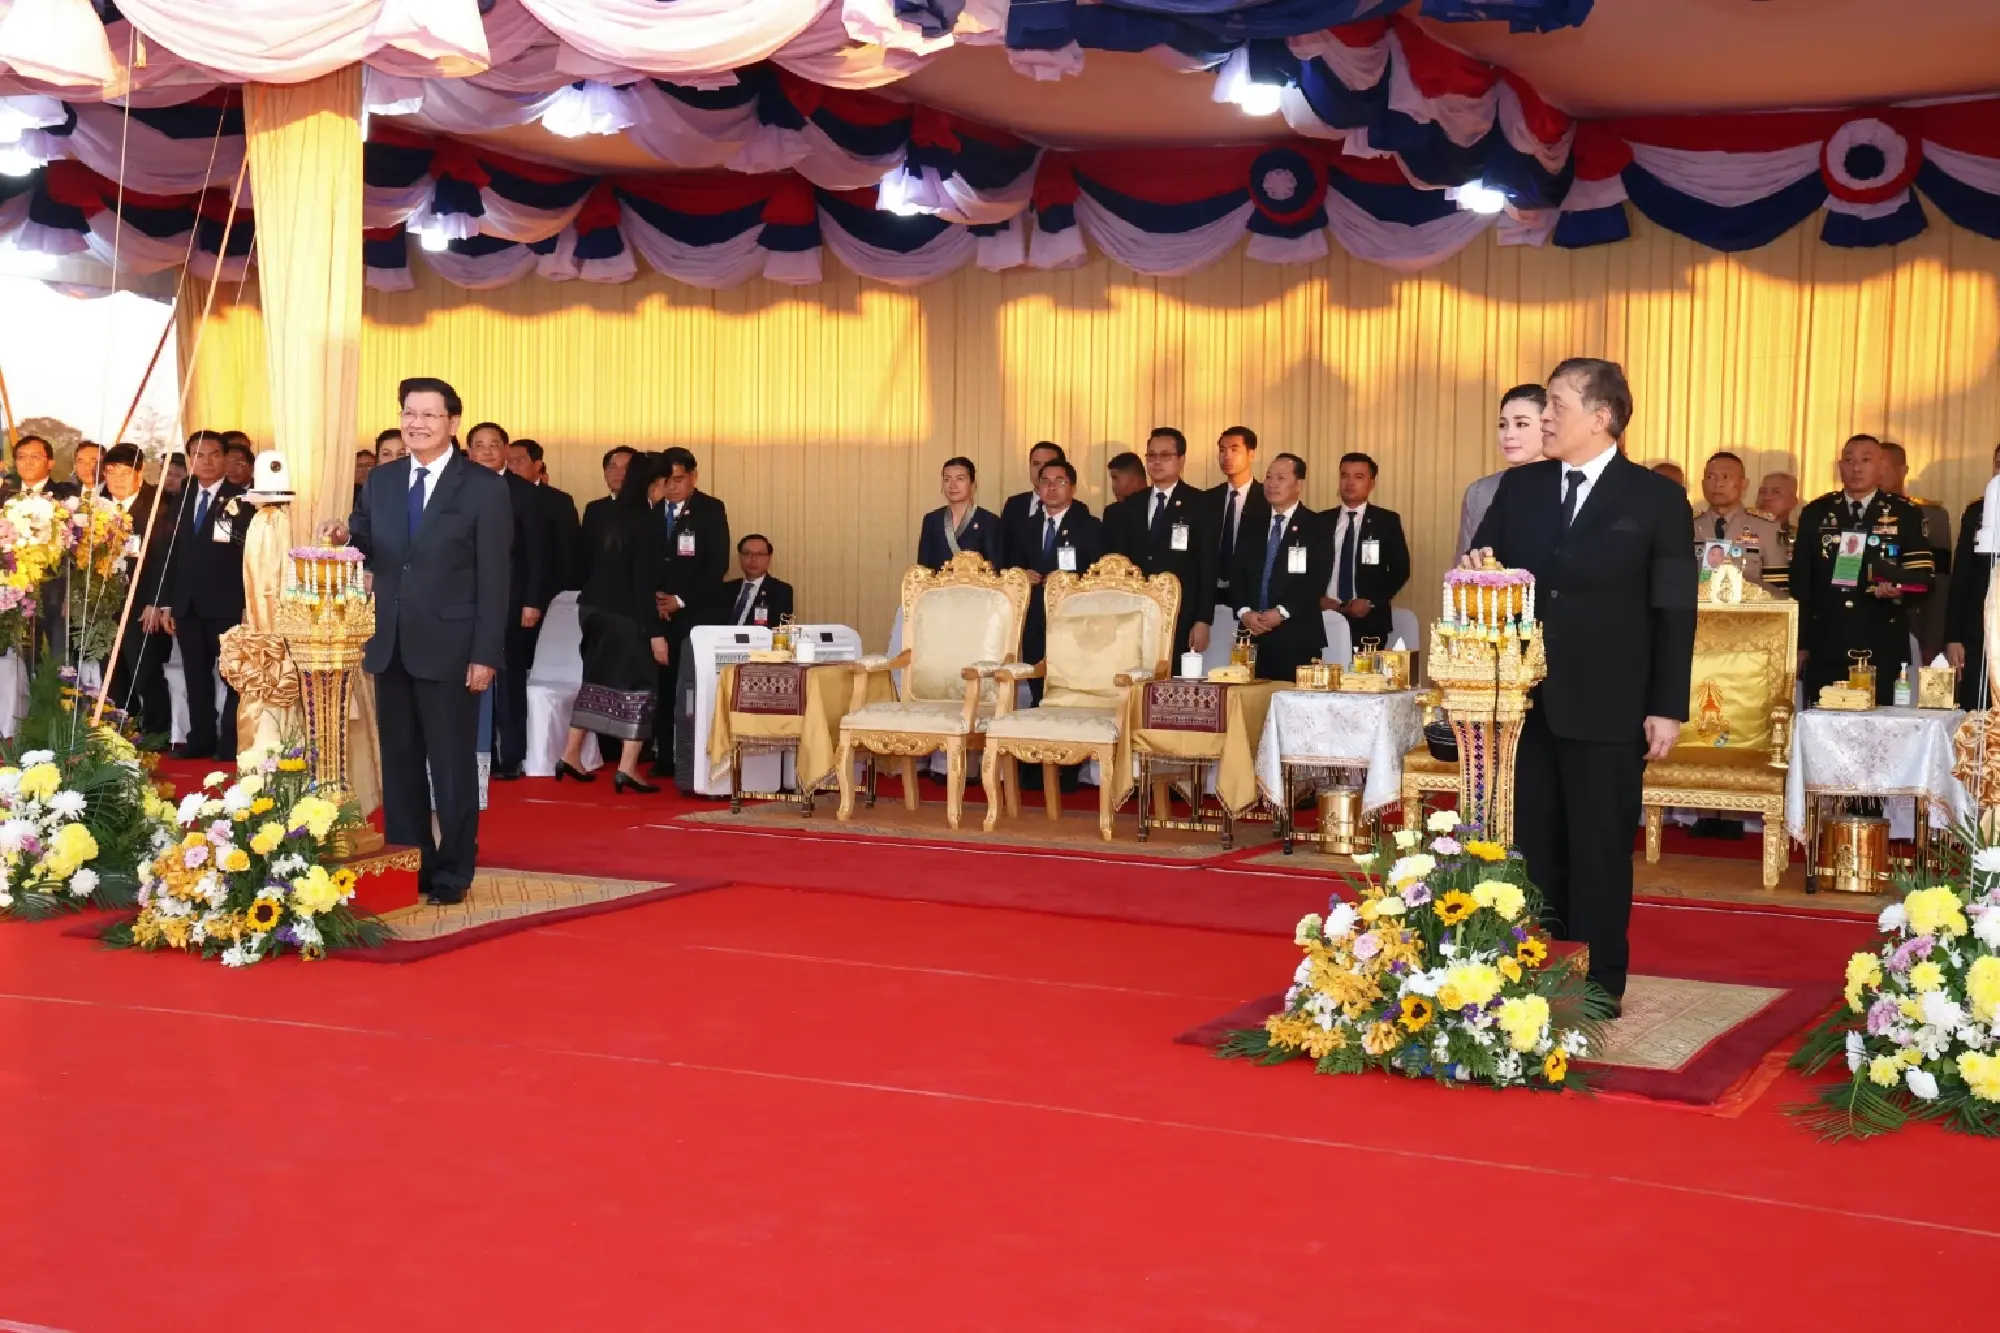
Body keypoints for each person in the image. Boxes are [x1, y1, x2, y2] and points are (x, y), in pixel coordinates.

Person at [1469, 357, 1697, 1014]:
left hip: (1611, 702)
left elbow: (1675, 609)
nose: (1544, 417)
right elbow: (1485, 570)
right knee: (1534, 843)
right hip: (1527, 700)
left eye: (1556, 405)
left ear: (1602, 417)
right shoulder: (1522, 489)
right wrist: (1477, 572)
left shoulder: (1655, 499)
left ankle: (1598, 984)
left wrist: (1666, 705)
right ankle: (1538, 970)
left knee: (1599, 845)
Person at [338, 377, 511, 906]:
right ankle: (411, 860)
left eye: (429, 415)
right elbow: (369, 540)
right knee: (402, 761)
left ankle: (454, 870)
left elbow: (495, 577)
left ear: (452, 423)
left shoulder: (482, 486)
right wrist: (344, 537)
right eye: (409, 413)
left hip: (453, 649)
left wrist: (486, 654)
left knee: (452, 764)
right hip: (390, 643)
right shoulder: (383, 481)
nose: (416, 423)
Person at [558, 453, 671, 794]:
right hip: (625, 614)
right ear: (656, 483)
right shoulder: (648, 519)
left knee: (595, 680)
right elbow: (641, 583)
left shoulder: (611, 512)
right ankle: (628, 766)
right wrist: (655, 634)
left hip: (592, 608)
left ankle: (570, 754)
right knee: (641, 685)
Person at [1792, 434, 1933, 705]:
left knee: (1881, 730)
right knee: (1825, 724)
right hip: (1827, 640)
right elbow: (1802, 583)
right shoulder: (1816, 512)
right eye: (1849, 460)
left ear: (1882, 467)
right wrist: (1800, 644)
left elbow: (1924, 578)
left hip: (1882, 639)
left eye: (1866, 460)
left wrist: (1896, 591)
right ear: (1839, 467)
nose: (1856, 468)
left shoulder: (1905, 513)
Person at [466, 422, 552, 782]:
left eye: (494, 445)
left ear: (505, 450)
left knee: (509, 679)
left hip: (513, 601)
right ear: (468, 451)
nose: (487, 452)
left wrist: (533, 601)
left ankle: (509, 755)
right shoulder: (457, 487)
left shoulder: (524, 492)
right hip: (463, 601)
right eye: (479, 445)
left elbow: (537, 553)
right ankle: (470, 750)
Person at [158, 431, 248, 760]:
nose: (206, 461)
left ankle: (231, 742)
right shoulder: (181, 498)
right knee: (195, 676)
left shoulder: (244, 499)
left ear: (225, 458)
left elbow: (247, 557)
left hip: (226, 604)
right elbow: (170, 553)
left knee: (233, 676)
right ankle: (200, 739)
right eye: (198, 455)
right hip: (186, 604)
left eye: (213, 454)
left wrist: (246, 606)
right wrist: (167, 602)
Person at [653, 446, 730, 780]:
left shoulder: (711, 510)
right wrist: (655, 600)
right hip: (655, 612)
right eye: (667, 480)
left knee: (689, 687)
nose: (672, 487)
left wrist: (680, 599)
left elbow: (717, 564)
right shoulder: (650, 508)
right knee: (661, 685)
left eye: (679, 479)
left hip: (694, 612)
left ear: (694, 477)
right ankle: (663, 756)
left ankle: (693, 756)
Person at [1104, 427, 1214, 658]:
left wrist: (1203, 620)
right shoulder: (1130, 505)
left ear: (1181, 459)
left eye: (1165, 455)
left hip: (1181, 614)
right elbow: (1120, 562)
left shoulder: (1200, 503)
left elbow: (1207, 566)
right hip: (1134, 613)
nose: (1157, 462)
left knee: (1173, 685)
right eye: (1151, 455)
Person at [1230, 453, 1329, 681]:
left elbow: (1316, 580)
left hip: (1296, 637)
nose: (1272, 484)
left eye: (1281, 478)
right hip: (1251, 636)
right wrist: (1244, 611)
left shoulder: (1316, 526)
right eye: (1268, 477)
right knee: (1251, 710)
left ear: (1299, 484)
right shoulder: (1252, 522)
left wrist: (1281, 612)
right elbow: (1236, 572)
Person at [1010, 457, 1105, 676]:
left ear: (1072, 488)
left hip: (1072, 614)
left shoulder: (1089, 526)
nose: (1051, 487)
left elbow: (1099, 573)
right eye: (1045, 481)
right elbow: (1011, 565)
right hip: (1033, 614)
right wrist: (1021, 574)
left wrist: (1069, 581)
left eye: (1059, 481)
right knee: (1035, 675)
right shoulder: (1025, 526)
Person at [101, 444, 170, 738]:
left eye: (125, 472)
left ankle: (156, 733)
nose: (117, 479)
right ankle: (122, 732)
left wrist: (156, 601)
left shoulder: (159, 504)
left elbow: (165, 558)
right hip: (104, 605)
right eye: (111, 472)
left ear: (140, 473)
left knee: (144, 671)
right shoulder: (95, 505)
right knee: (112, 673)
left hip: (143, 603)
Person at [1321, 451, 1411, 650]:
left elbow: (1400, 569)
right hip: (1324, 617)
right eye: (1345, 476)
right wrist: (1317, 598)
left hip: (1368, 620)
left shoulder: (1386, 521)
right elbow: (1308, 567)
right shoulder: (1321, 521)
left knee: (1363, 680)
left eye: (1359, 477)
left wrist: (1371, 601)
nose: (1350, 483)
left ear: (1372, 483)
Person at [1881, 440, 1953, 660]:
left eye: (1883, 467)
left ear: (1903, 470)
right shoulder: (1851, 513)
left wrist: (1933, 640)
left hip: (1912, 623)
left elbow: (1939, 585)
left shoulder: (1930, 515)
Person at [1457, 384, 1547, 558]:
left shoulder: (1570, 483)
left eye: (1521, 424)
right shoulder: (1479, 491)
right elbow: (1464, 564)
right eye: (1502, 425)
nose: (1509, 434)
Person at [1945, 442, 2000, 709]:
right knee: (1977, 714)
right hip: (1979, 632)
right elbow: (1961, 575)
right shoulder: (1978, 511)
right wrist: (1953, 636)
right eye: (1999, 464)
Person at [1691, 451, 1788, 593]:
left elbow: (1778, 591)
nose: (1718, 484)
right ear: (1702, 484)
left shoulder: (1767, 528)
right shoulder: (1688, 526)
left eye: (1726, 477)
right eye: (1711, 477)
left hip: (1750, 613)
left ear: (1744, 484)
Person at [1204, 426, 1267, 625]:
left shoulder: (1267, 499)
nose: (1226, 456)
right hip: (1211, 594)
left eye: (1234, 449)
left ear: (1251, 454)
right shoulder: (1207, 499)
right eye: (1222, 450)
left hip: (1251, 598)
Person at [508, 438, 582, 592]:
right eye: (508, 461)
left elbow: (568, 550)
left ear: (537, 465)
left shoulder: (559, 500)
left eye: (518, 461)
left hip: (548, 588)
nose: (512, 467)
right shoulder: (500, 495)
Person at [916, 456, 1002, 570]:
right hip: (939, 587)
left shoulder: (989, 520)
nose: (952, 485)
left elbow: (995, 568)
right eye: (947, 479)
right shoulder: (931, 520)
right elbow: (923, 568)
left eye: (960, 479)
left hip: (975, 587)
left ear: (972, 484)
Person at [1000, 441, 1067, 569]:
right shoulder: (1014, 505)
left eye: (1048, 464)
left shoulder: (1076, 509)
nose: (1041, 470)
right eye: (1036, 464)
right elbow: (1003, 551)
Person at [579, 446, 637, 588]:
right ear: (605, 473)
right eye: (613, 467)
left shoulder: (648, 508)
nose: (619, 473)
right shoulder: (594, 509)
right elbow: (585, 556)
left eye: (626, 467)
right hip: (598, 595)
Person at [721, 534, 795, 628]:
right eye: (747, 554)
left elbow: (777, 629)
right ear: (740, 557)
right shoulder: (725, 589)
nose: (753, 559)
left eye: (760, 554)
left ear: (769, 558)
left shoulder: (781, 591)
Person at [2, 435, 76, 501]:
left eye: (35, 457)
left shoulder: (69, 494)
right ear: (15, 463)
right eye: (22, 457)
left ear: (50, 464)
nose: (28, 462)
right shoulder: (3, 493)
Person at [1756, 469, 1800, 567]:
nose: (1766, 498)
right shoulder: (1743, 531)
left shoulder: (1802, 538)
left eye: (1776, 492)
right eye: (1762, 492)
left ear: (1793, 501)